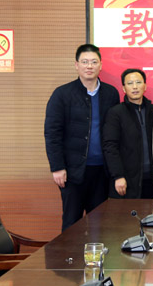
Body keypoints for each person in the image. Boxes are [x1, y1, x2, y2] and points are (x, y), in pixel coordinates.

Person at [44, 44, 120, 231]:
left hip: (102, 171)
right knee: (72, 223)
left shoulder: (111, 93)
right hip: (73, 171)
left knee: (100, 224)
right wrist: (57, 167)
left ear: (101, 65)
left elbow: (114, 133)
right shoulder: (62, 94)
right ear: (76, 65)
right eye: (85, 62)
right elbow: (52, 133)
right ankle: (69, 253)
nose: (89, 66)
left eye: (94, 62)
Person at [102, 69, 153, 199]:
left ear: (145, 86)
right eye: (130, 83)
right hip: (127, 181)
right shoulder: (115, 113)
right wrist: (118, 176)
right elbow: (110, 147)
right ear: (124, 88)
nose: (135, 87)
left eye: (138, 82)